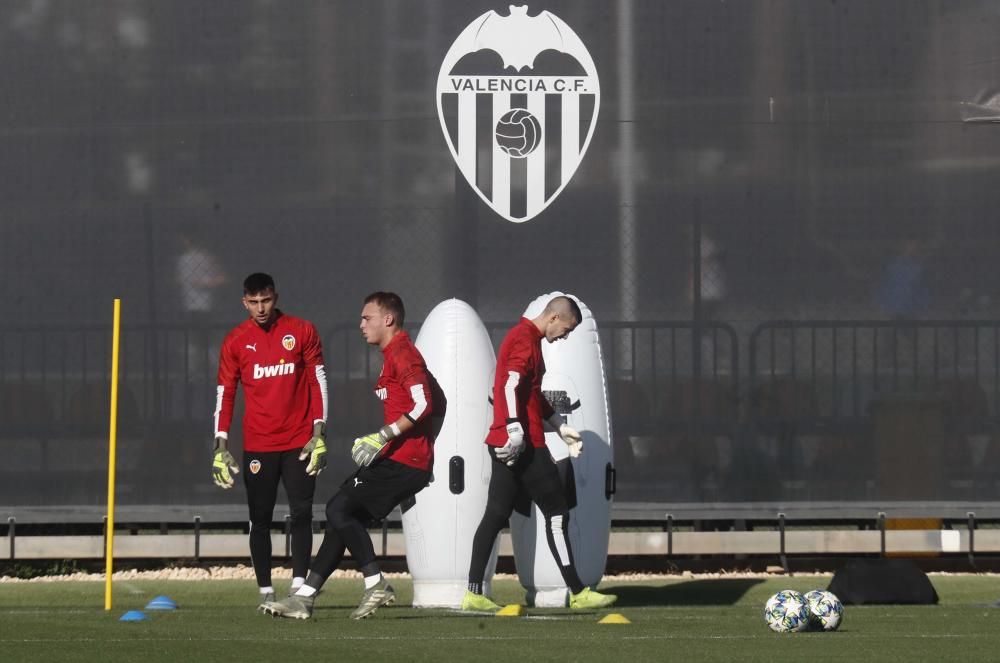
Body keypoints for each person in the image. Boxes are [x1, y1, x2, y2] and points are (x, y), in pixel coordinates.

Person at [261, 291, 444, 620]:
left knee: (337, 508)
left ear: (388, 319)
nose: (361, 325)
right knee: (342, 521)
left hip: (403, 460)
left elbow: (425, 404)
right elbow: (438, 400)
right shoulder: (394, 353)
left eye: (367, 318)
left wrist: (389, 437)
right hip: (404, 458)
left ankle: (376, 584)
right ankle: (304, 597)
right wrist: (426, 448)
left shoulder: (404, 353)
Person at [462, 296, 617, 611]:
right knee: (557, 513)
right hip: (524, 444)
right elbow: (508, 386)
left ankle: (473, 593)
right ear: (555, 317)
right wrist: (516, 430)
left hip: (508, 441)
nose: (564, 336)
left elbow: (530, 394)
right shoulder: (524, 341)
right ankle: (577, 591)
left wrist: (560, 425)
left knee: (495, 515)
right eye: (566, 329)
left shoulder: (526, 339)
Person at [211, 273, 329, 609]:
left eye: (266, 300)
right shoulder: (235, 341)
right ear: (244, 302)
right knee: (259, 518)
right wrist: (220, 443)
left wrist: (320, 432)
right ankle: (265, 589)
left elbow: (318, 381)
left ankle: (299, 587)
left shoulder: (302, 330)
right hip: (259, 444)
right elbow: (225, 392)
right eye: (254, 302)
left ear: (275, 297)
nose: (261, 308)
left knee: (302, 513)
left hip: (299, 441)